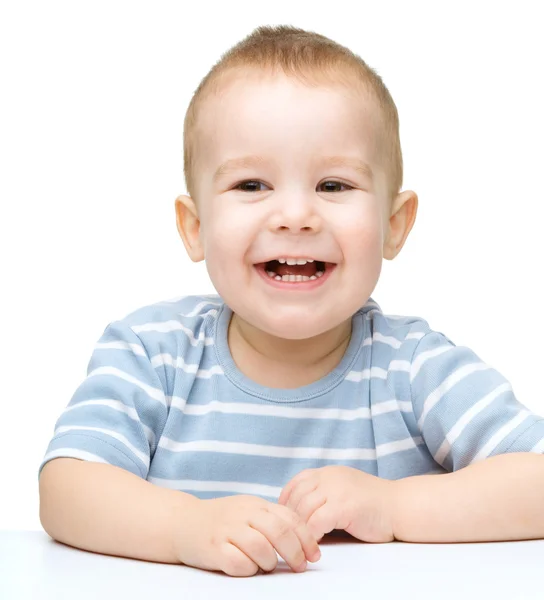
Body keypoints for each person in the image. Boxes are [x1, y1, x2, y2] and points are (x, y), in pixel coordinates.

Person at [38, 24, 544, 578]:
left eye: (334, 185)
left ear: (393, 225)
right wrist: (183, 528)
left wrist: (394, 506)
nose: (296, 215)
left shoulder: (415, 367)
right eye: (252, 185)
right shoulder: (153, 355)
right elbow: (67, 488)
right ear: (196, 227)